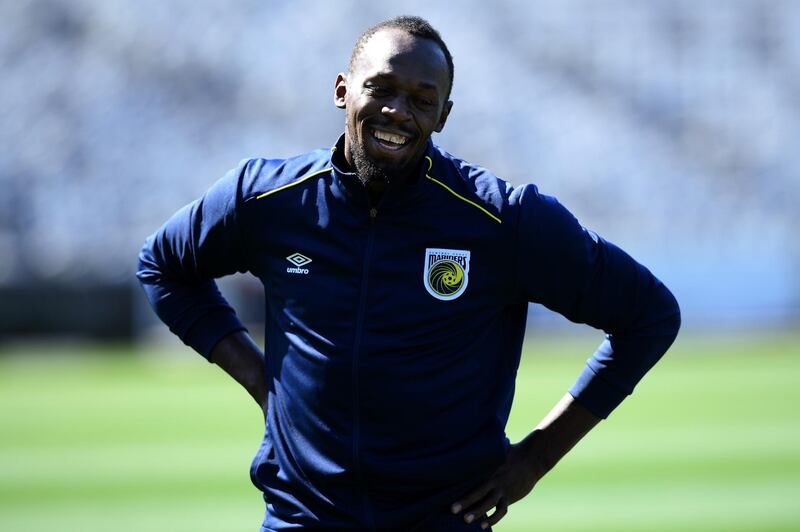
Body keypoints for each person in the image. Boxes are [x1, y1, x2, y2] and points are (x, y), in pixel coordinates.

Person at [137, 15, 680, 532]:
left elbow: (649, 315)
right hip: (303, 516)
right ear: (342, 90)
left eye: (422, 100)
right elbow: (162, 266)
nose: (399, 111)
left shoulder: (502, 219)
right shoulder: (268, 198)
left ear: (443, 116)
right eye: (382, 88)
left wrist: (537, 457)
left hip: (444, 519)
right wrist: (261, 379)